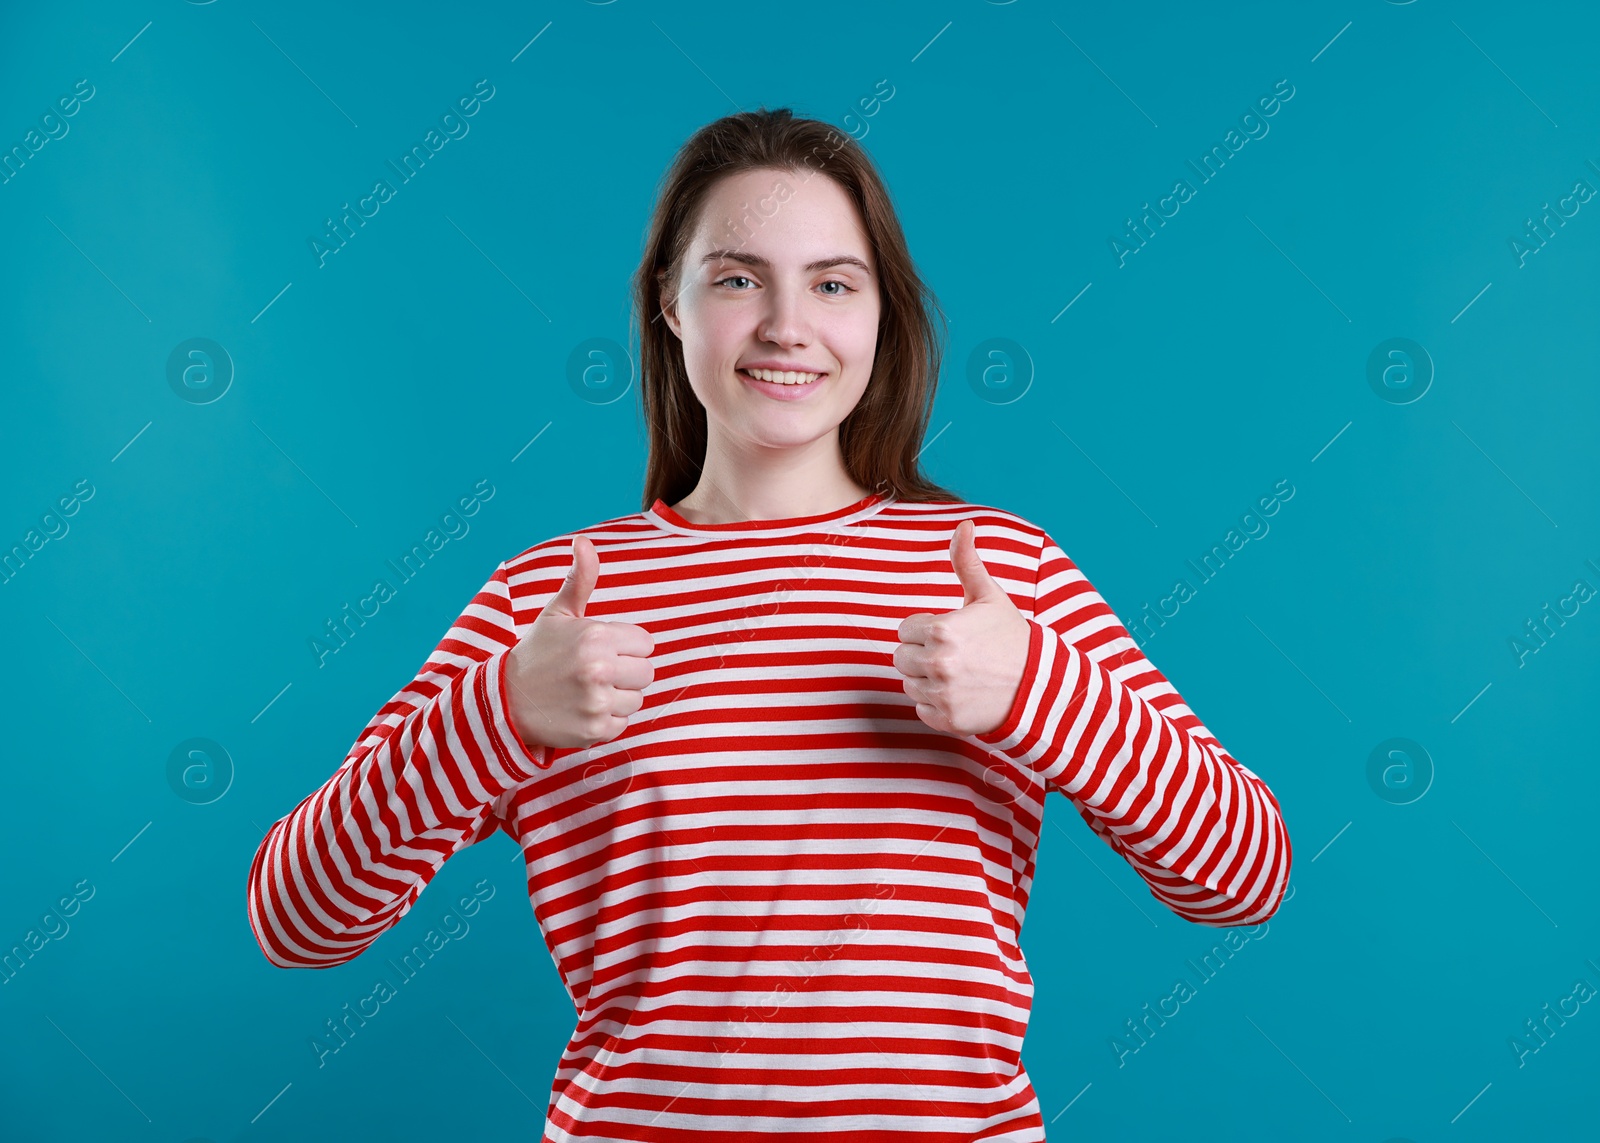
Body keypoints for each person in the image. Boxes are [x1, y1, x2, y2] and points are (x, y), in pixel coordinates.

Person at [247, 108, 1292, 1141]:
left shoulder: (1001, 575)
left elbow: (1243, 876)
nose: (787, 326)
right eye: (738, 278)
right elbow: (297, 919)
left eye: (833, 284)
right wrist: (495, 713)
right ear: (669, 302)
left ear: (882, 315)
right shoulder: (549, 599)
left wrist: (1042, 692)